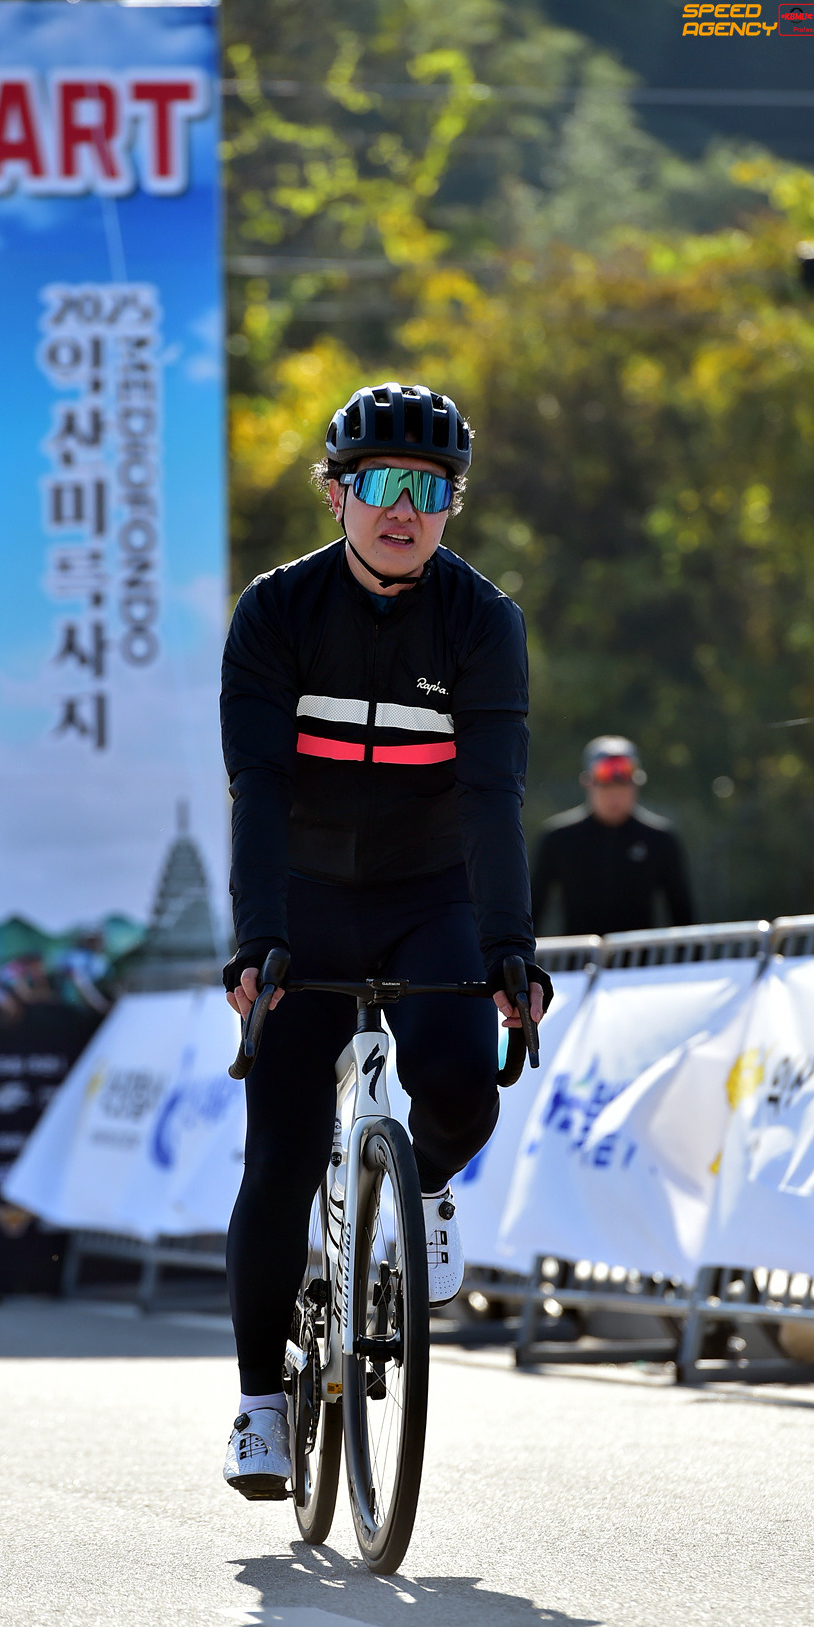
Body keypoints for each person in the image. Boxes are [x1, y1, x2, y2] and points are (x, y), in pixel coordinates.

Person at [219, 380, 551, 1496]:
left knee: (461, 1082)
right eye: (381, 485)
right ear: (337, 494)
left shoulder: (482, 620)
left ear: (453, 503)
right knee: (279, 1152)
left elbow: (493, 796)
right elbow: (258, 790)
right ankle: (260, 1405)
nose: (404, 509)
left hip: (428, 894)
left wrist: (509, 948)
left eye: (430, 488)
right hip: (305, 897)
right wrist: (257, 944)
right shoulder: (276, 612)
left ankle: (422, 1194)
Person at [529, 737, 695, 937]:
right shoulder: (558, 839)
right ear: (587, 783)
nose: (615, 795)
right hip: (578, 956)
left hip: (640, 957)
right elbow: (533, 911)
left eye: (623, 785)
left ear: (637, 784)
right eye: (606, 786)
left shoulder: (660, 839)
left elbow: (683, 917)